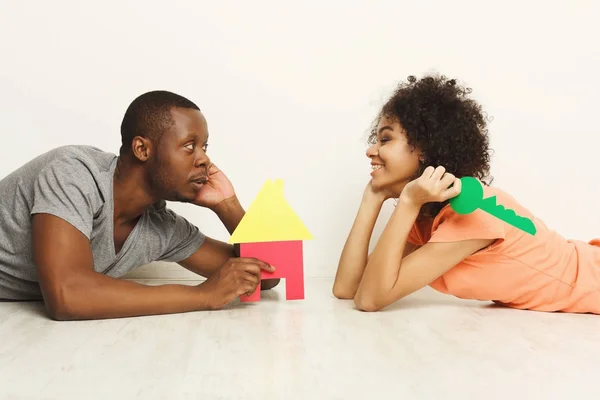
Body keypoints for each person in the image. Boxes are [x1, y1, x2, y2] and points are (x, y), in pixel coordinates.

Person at [333, 73, 600, 314]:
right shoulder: (427, 216)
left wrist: (407, 201)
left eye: (385, 139)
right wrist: (372, 197)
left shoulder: (474, 210)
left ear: (424, 148)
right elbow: (349, 289)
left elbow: (370, 299)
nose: (370, 150)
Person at [0, 90, 279, 320]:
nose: (203, 159)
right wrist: (203, 295)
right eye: (189, 146)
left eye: (204, 147)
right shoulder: (74, 174)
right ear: (142, 149)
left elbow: (269, 275)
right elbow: (67, 295)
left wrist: (227, 205)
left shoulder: (161, 227)